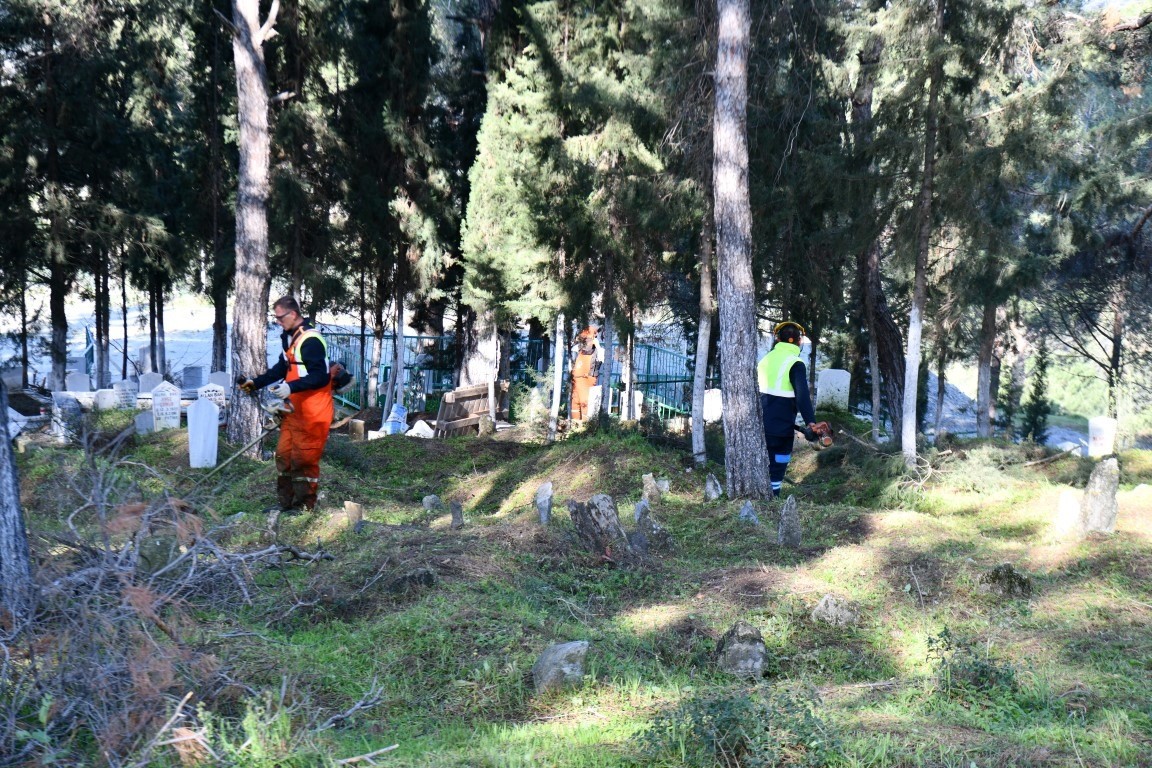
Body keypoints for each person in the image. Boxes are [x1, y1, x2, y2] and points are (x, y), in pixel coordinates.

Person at [238, 296, 333, 514]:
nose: (278, 322)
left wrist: (291, 388)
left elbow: (320, 376)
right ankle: (285, 504)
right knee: (283, 455)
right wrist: (256, 383)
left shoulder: (311, 340)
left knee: (303, 459)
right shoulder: (290, 338)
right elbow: (282, 368)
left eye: (280, 318)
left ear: (292, 314)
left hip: (313, 412)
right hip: (294, 410)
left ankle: (304, 507)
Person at [757, 321, 818, 497]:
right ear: (799, 341)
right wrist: (811, 423)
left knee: (763, 463)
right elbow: (802, 396)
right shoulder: (795, 363)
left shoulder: (766, 359)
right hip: (781, 429)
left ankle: (759, 498)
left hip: (759, 423)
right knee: (779, 464)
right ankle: (772, 501)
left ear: (777, 338)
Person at [569, 327, 601, 421]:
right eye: (584, 339)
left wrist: (597, 346)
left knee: (585, 403)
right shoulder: (577, 350)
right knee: (575, 404)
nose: (586, 342)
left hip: (587, 382)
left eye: (587, 339)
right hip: (576, 382)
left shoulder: (598, 352)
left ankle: (585, 428)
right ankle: (574, 425)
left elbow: (601, 358)